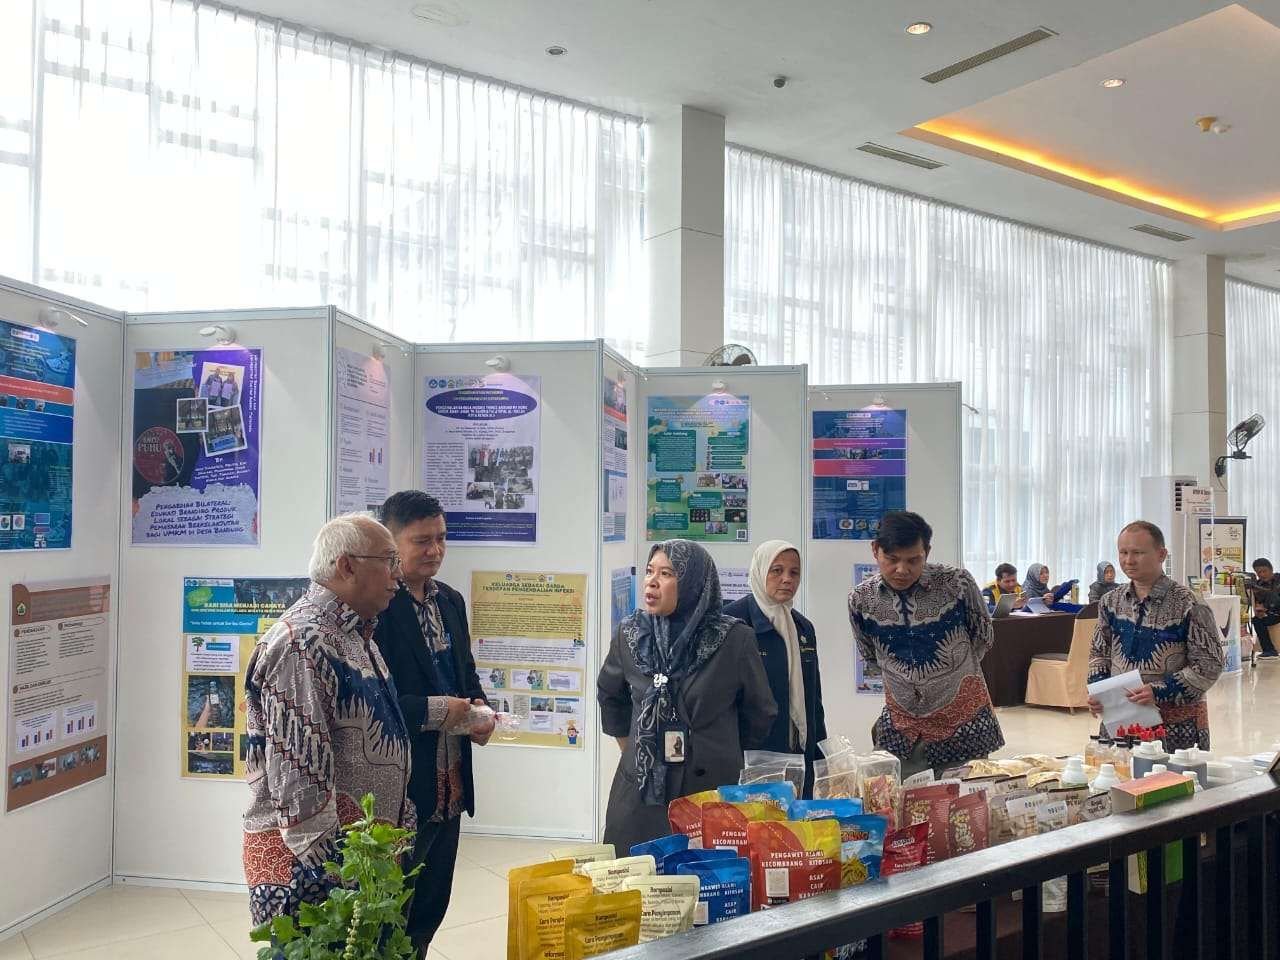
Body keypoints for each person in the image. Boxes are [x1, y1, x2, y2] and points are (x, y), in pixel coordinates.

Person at [242, 514, 411, 927]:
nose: (398, 576)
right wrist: (338, 876)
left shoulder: (354, 633)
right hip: (317, 874)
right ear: (347, 565)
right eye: (389, 561)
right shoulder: (302, 642)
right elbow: (300, 777)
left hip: (360, 860)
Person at [598, 540, 777, 855]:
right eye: (650, 571)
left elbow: (760, 711)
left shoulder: (733, 639)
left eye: (667, 573)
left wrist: (721, 752)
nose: (652, 581)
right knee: (635, 882)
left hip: (708, 791)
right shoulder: (630, 634)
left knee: (706, 885)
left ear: (694, 583)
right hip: (641, 792)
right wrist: (636, 745)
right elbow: (611, 695)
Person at [374, 491, 493, 957]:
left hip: (451, 787)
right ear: (391, 542)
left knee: (430, 908)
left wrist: (480, 709)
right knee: (390, 914)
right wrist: (446, 710)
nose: (435, 551)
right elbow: (374, 702)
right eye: (422, 541)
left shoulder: (451, 602)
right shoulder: (379, 606)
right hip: (403, 786)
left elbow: (467, 675)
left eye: (441, 538)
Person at [848, 511, 1004, 777]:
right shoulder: (861, 599)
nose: (902, 570)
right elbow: (870, 654)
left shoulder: (958, 584)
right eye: (892, 559)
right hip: (901, 729)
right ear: (875, 550)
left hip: (963, 725)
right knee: (902, 806)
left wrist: (951, 676)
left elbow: (983, 637)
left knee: (964, 808)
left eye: (913, 560)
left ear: (927, 552)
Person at [1087, 521, 1225, 750]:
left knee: (1174, 784)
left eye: (1138, 553)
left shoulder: (1188, 604)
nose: (1128, 560)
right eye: (1123, 552)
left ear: (1161, 554)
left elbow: (1209, 665)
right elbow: (1099, 652)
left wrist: (1160, 691)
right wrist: (1098, 691)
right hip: (1120, 724)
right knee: (1118, 782)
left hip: (1177, 727)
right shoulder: (1110, 601)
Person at [723, 540, 828, 795]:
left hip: (799, 753)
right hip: (750, 757)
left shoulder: (802, 628)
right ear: (760, 571)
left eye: (794, 573)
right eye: (777, 570)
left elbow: (814, 700)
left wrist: (823, 759)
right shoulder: (732, 622)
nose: (786, 579)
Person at [1249, 558, 1280, 659]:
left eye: (1264, 571)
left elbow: (1274, 597)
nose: (1262, 574)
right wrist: (1259, 610)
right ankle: (1269, 650)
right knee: (1256, 620)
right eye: (1259, 572)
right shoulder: (1257, 585)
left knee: (1273, 594)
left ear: (1271, 569)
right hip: (1271, 614)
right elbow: (1257, 602)